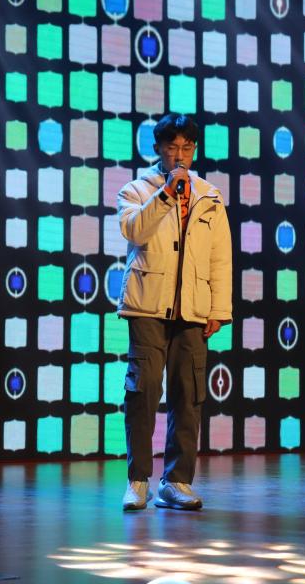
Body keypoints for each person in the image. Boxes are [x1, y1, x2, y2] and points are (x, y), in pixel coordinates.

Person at [116, 113, 232, 511]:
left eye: (186, 147)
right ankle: (138, 480)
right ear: (158, 149)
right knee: (143, 390)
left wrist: (219, 308)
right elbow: (134, 231)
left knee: (189, 394)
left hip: (194, 309)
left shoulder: (210, 196)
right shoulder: (136, 190)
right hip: (147, 304)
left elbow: (220, 257)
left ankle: (177, 481)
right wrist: (166, 194)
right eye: (172, 147)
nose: (180, 155)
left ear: (194, 150)